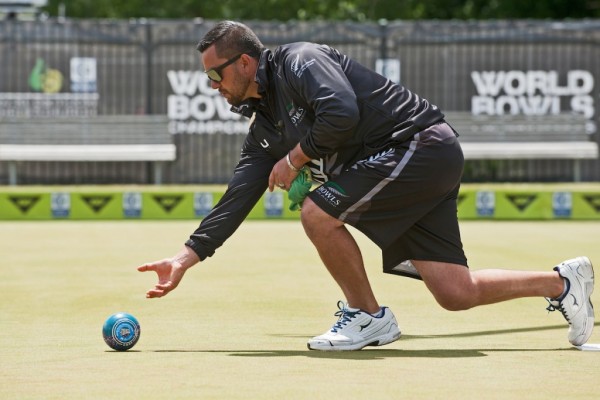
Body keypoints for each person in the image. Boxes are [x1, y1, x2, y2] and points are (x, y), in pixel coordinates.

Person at [138, 20, 595, 351]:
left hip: (419, 146)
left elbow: (341, 112)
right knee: (456, 293)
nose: (212, 85)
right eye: (207, 77)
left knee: (317, 212)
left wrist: (295, 159)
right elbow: (239, 194)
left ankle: (368, 317)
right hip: (410, 165)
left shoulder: (300, 60)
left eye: (215, 74)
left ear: (244, 62)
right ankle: (561, 283)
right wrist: (185, 258)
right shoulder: (266, 123)